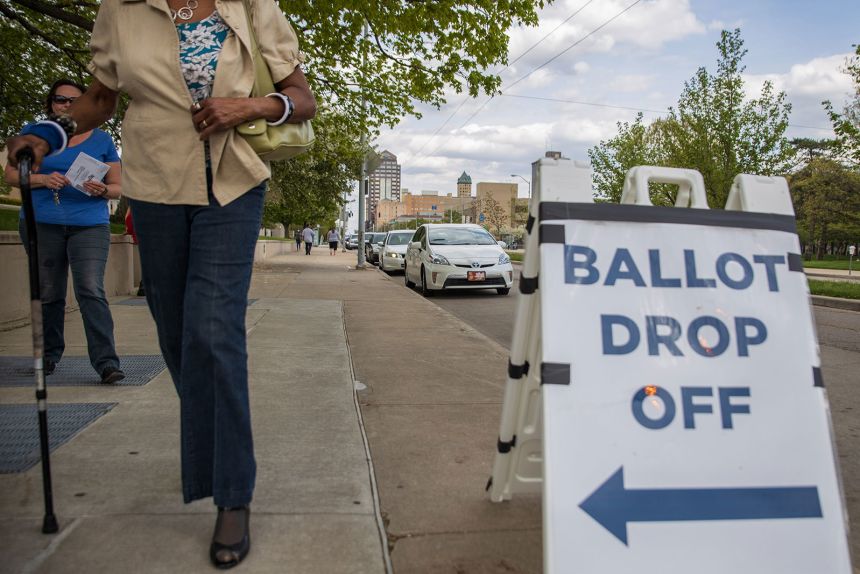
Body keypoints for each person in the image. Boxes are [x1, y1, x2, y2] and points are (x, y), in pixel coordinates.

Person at [6, 0, 316, 568]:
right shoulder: (120, 10)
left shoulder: (249, 5)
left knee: (214, 329)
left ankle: (232, 493)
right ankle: (220, 452)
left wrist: (252, 104)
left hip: (232, 182)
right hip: (154, 187)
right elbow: (99, 99)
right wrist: (47, 132)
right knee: (177, 337)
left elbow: (302, 97)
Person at [4, 79, 125, 385]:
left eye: (74, 100)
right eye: (60, 100)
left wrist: (103, 189)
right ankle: (48, 356)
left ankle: (107, 362)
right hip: (43, 223)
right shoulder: (36, 134)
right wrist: (42, 180)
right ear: (51, 104)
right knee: (49, 293)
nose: (66, 106)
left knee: (90, 289)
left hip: (89, 224)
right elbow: (11, 175)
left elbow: (118, 187)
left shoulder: (102, 140)